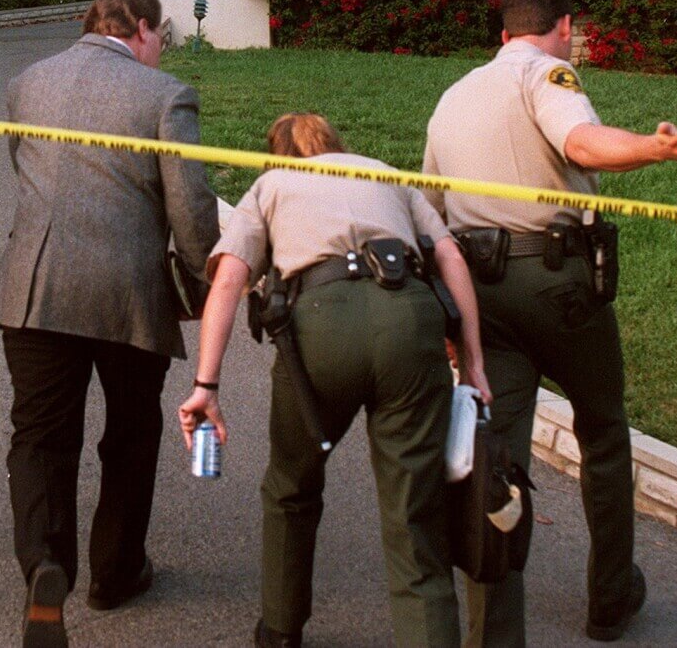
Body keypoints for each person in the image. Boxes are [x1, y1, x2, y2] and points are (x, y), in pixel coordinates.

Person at [422, 0, 677, 645]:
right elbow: (581, 144)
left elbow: (431, 217)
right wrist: (654, 147)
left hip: (482, 296)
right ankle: (610, 598)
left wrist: (450, 323)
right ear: (565, 28)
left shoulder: (452, 97)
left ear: (501, 32)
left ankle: (493, 634)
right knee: (603, 433)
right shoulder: (548, 73)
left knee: (496, 461)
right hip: (560, 288)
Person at [178, 113, 492, 648]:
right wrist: (474, 362)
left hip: (320, 327)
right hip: (410, 322)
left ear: (281, 153)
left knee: (291, 485)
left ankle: (280, 627)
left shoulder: (271, 183)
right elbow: (449, 254)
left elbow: (229, 276)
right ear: (335, 145)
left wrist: (206, 385)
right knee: (415, 509)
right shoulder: (385, 174)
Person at [0, 0, 220, 648]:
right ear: (142, 27)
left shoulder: (27, 82)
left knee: (39, 434)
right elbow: (191, 208)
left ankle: (46, 564)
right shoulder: (165, 94)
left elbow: (24, 170)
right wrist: (208, 283)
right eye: (160, 37)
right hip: (126, 291)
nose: (159, 50)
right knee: (131, 432)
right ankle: (115, 571)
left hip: (34, 284)